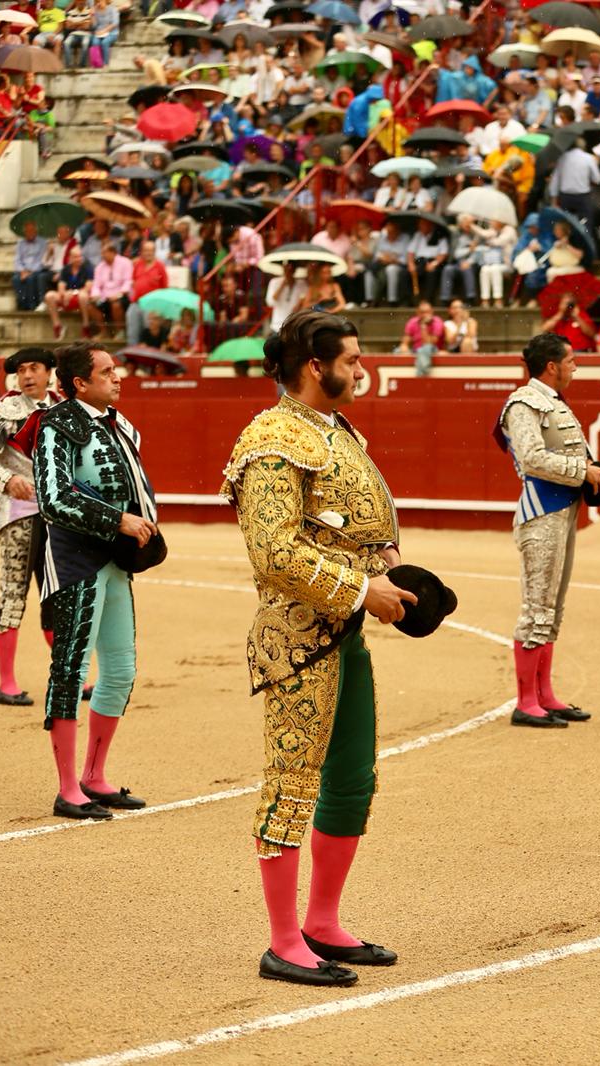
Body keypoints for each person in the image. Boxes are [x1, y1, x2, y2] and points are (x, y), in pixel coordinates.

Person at [221, 310, 418, 987]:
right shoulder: (273, 437)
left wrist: (385, 561)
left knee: (352, 780)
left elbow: (348, 523)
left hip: (346, 630)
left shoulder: (332, 430)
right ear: (315, 365)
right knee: (292, 782)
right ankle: (282, 941)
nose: (362, 369)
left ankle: (322, 921)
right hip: (297, 638)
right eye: (353, 360)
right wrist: (364, 590)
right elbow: (273, 551)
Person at [34, 344, 158, 821]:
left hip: (114, 559)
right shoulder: (57, 424)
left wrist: (139, 527)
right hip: (74, 558)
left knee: (122, 668)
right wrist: (118, 521)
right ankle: (67, 788)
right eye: (107, 372)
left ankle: (94, 775)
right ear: (80, 383)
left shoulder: (121, 424)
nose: (118, 377)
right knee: (69, 669)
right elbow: (52, 497)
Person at [497, 333, 600, 729]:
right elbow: (531, 458)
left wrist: (593, 470)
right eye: (572, 361)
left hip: (562, 513)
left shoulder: (551, 402)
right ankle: (526, 701)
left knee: (551, 608)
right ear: (551, 366)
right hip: (540, 513)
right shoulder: (524, 403)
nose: (575, 367)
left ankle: (545, 695)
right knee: (536, 608)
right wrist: (583, 471)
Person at [0, 349, 55, 706]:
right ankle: (7, 682)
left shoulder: (64, 409)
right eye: (21, 371)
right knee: (13, 594)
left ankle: (65, 677)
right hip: (18, 514)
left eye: (35, 368)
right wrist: (6, 478)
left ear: (49, 373)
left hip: (59, 517)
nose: (27, 375)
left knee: (57, 597)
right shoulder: (3, 411)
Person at [396, 300, 446, 376]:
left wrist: (423, 326)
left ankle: (421, 376)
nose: (425, 315)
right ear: (418, 313)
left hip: (434, 351)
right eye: (422, 312)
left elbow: (429, 343)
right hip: (416, 351)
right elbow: (405, 342)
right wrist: (404, 348)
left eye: (427, 312)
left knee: (425, 348)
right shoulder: (412, 321)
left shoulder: (437, 321)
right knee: (397, 351)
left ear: (432, 312)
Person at [12, 220, 49, 312]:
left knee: (31, 279)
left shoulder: (43, 242)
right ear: (24, 232)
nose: (30, 233)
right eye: (27, 231)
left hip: (36, 270)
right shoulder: (20, 243)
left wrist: (30, 271)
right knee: (15, 279)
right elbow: (17, 259)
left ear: (36, 231)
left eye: (32, 230)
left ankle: (31, 306)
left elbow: (41, 260)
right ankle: (22, 303)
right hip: (23, 270)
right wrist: (22, 271)